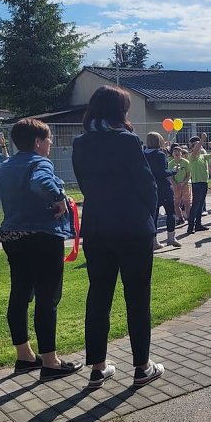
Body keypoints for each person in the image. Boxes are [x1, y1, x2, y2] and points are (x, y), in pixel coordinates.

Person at [72, 85, 163, 389]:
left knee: (98, 296)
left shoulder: (81, 143)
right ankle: (142, 366)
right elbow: (147, 185)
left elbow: (85, 184)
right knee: (137, 298)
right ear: (118, 112)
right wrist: (147, 219)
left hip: (97, 227)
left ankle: (98, 367)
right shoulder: (127, 141)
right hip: (132, 227)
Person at [0, 118, 82, 381]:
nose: (51, 143)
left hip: (12, 235)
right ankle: (50, 361)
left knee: (20, 293)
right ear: (37, 142)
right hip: (41, 236)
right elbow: (40, 183)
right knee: (48, 296)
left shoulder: (7, 165)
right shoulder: (39, 163)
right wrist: (59, 198)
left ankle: (24, 356)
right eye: (48, 139)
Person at [144, 133, 180, 249]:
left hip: (150, 187)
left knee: (154, 215)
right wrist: (173, 171)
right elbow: (162, 173)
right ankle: (171, 237)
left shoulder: (143, 154)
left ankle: (154, 241)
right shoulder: (160, 154)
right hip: (163, 188)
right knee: (170, 212)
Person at [186, 136, 211, 233]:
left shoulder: (203, 156)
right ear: (192, 148)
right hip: (196, 183)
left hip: (204, 182)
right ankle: (190, 226)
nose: (199, 147)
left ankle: (198, 224)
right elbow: (196, 149)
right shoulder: (192, 156)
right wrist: (202, 140)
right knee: (195, 205)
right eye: (196, 145)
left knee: (201, 205)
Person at [169, 145, 191, 226]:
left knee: (187, 203)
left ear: (181, 153)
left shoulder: (186, 162)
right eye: (175, 151)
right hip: (176, 186)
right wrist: (175, 184)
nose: (177, 153)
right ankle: (180, 218)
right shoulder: (171, 163)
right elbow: (170, 176)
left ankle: (189, 218)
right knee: (176, 203)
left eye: (179, 151)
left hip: (185, 185)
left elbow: (188, 175)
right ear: (172, 154)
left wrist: (183, 183)